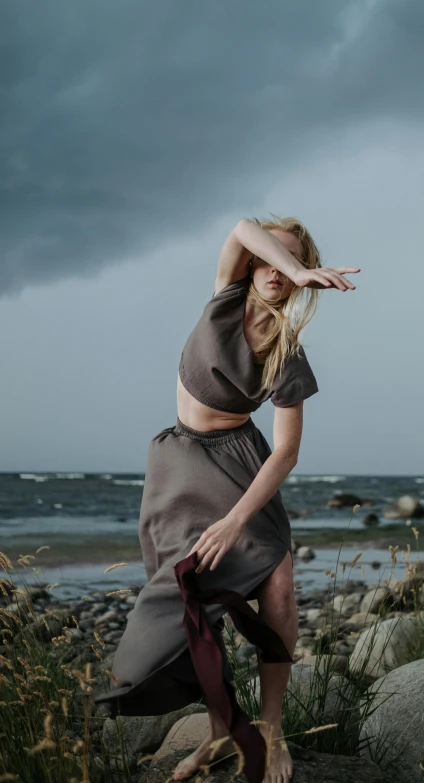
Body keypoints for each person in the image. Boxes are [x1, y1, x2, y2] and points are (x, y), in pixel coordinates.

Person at [94, 216, 360, 783]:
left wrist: (237, 521)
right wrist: (297, 264)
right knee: (193, 596)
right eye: (273, 258)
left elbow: (286, 453)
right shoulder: (225, 294)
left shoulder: (288, 351)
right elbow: (242, 226)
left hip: (240, 469)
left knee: (279, 582)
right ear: (260, 263)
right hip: (178, 468)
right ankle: (221, 732)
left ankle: (269, 729)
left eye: (290, 264)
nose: (278, 272)